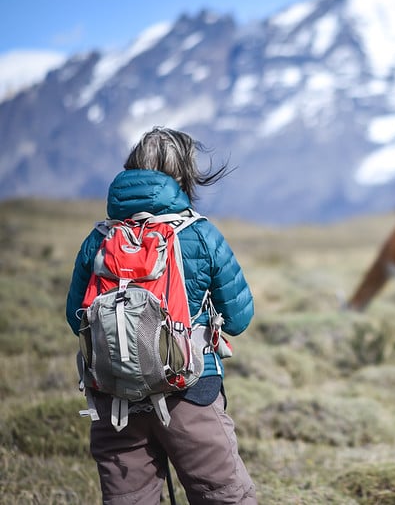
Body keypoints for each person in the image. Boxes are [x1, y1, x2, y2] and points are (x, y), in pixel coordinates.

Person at [65, 126, 257, 504]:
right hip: (190, 390)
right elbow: (238, 318)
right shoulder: (201, 233)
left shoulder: (99, 238)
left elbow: (77, 319)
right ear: (184, 175)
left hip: (114, 395)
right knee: (224, 496)